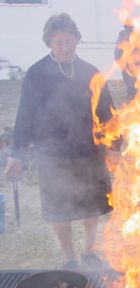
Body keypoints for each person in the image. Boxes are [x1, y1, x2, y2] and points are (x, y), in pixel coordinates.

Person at [3, 13, 117, 269]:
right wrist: (16, 154)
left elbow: (107, 111)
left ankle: (89, 251)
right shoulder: (36, 73)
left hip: (90, 151)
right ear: (49, 44)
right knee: (59, 210)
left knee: (92, 206)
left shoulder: (91, 72)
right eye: (58, 42)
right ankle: (69, 258)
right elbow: (25, 115)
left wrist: (113, 146)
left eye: (68, 41)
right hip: (52, 154)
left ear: (77, 40)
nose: (64, 47)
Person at [114, 18, 140, 102]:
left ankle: (132, 94)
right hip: (132, 61)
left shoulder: (123, 35)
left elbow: (117, 48)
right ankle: (133, 93)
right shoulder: (135, 35)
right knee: (132, 78)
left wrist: (117, 58)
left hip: (129, 61)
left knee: (129, 79)